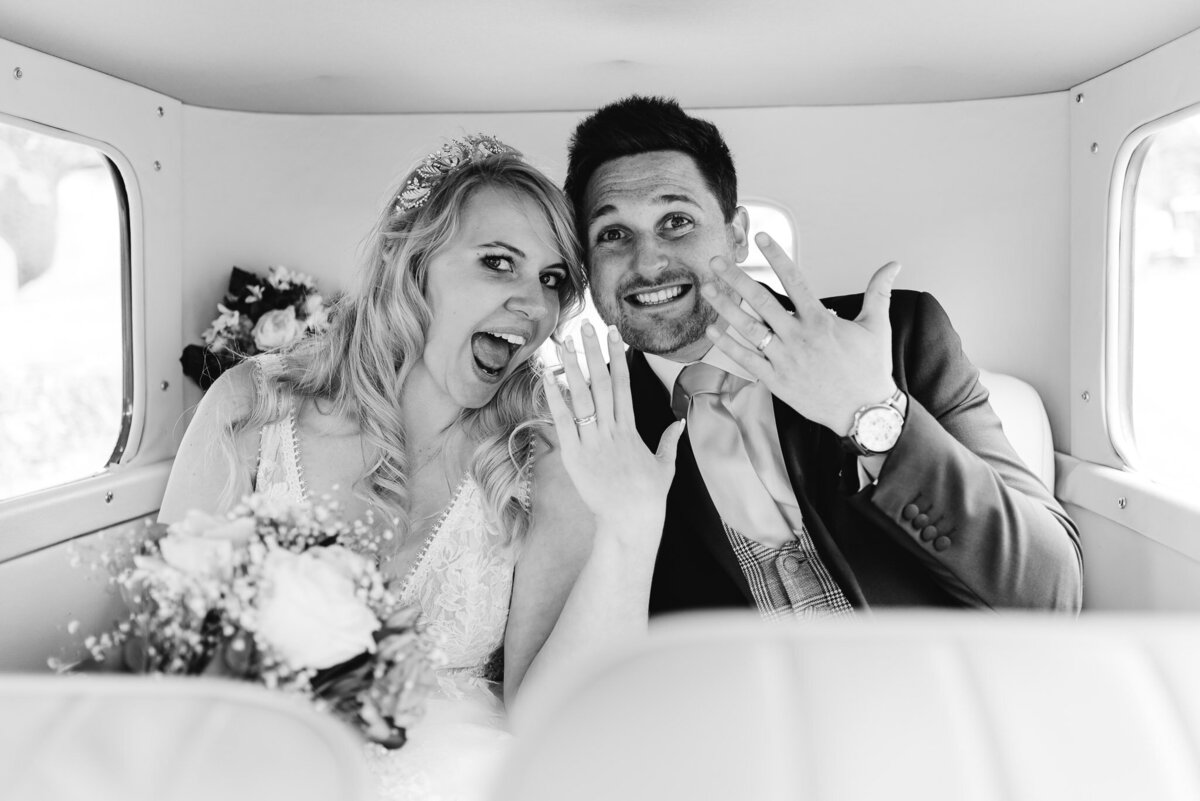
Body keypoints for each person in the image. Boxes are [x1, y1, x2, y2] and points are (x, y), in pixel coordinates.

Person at [158, 135, 658, 801]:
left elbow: (553, 716)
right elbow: (170, 651)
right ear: (411, 262)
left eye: (552, 279)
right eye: (498, 262)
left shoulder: (544, 454)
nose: (534, 305)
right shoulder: (248, 408)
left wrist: (633, 527)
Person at [552, 95, 1082, 621]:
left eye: (677, 222)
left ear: (735, 235)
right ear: (587, 265)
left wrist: (871, 411)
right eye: (613, 234)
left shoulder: (897, 340)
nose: (649, 263)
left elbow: (1051, 595)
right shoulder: (586, 426)